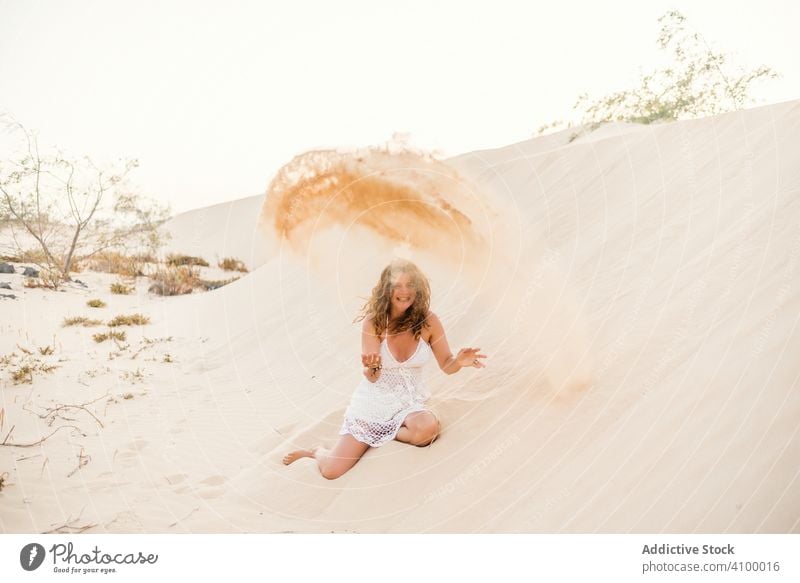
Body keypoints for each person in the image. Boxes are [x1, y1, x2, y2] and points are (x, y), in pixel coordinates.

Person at [282, 258, 487, 479]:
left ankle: (382, 433)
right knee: (332, 471)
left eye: (410, 285)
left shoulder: (429, 321)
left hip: (408, 404)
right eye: (397, 285)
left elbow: (447, 365)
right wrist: (372, 368)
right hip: (373, 404)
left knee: (427, 430)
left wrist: (459, 361)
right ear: (386, 289)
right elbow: (372, 376)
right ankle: (317, 451)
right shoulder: (374, 322)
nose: (404, 291)